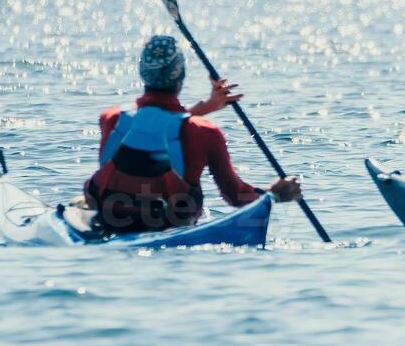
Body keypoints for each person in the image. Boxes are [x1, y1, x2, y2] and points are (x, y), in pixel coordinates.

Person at [84, 35, 301, 234]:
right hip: (168, 225)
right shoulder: (206, 132)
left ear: (143, 73)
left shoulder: (111, 119)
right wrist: (275, 194)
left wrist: (206, 107)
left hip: (111, 218)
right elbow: (235, 196)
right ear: (181, 76)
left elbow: (150, 126)